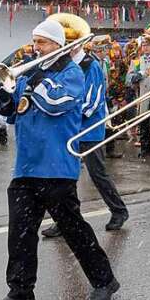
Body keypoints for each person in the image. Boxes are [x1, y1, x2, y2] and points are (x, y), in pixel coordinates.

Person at [0, 18, 120, 300]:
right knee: (20, 231)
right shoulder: (31, 73)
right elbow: (13, 115)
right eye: (35, 42)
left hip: (57, 165)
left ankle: (104, 280)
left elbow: (53, 103)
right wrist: (6, 95)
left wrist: (30, 82)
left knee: (73, 229)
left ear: (59, 46)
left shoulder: (72, 73)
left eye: (43, 43)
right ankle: (20, 291)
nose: (36, 48)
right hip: (26, 166)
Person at [42, 34, 128, 238]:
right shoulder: (65, 65)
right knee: (65, 174)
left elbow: (93, 100)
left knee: (97, 172)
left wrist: (68, 113)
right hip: (70, 128)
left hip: (89, 128)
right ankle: (66, 219)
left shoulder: (91, 65)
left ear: (78, 45)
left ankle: (119, 211)